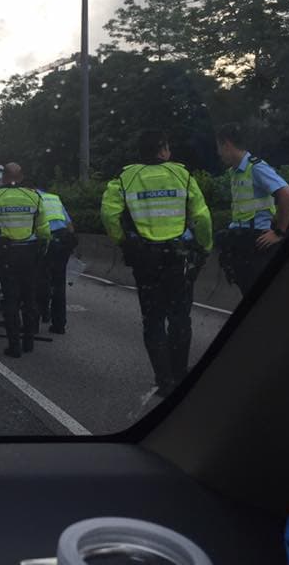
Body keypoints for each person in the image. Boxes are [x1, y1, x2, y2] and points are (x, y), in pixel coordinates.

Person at [101, 131, 213, 395]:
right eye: (168, 148)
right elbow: (202, 216)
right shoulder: (182, 175)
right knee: (180, 318)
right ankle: (180, 375)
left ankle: (164, 381)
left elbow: (108, 215)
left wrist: (123, 242)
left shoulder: (125, 178)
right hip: (178, 259)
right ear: (162, 150)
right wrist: (205, 246)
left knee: (153, 320)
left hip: (145, 260)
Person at [0, 163, 51, 358]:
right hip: (30, 254)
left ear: (3, 177)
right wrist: (43, 250)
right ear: (22, 177)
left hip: (7, 256)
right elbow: (44, 229)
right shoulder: (34, 197)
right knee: (29, 298)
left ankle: (14, 346)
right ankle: (29, 343)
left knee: (11, 300)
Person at [215, 122, 289, 296]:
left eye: (219, 148)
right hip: (244, 243)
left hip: (257, 242)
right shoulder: (236, 171)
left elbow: (288, 195)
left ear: (227, 145)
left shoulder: (256, 167)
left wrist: (279, 232)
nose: (219, 153)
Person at [34, 187, 77, 335]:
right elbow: (69, 225)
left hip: (46, 241)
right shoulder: (53, 198)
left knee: (39, 281)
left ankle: (37, 320)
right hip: (63, 239)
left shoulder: (31, 198)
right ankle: (59, 324)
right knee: (59, 283)